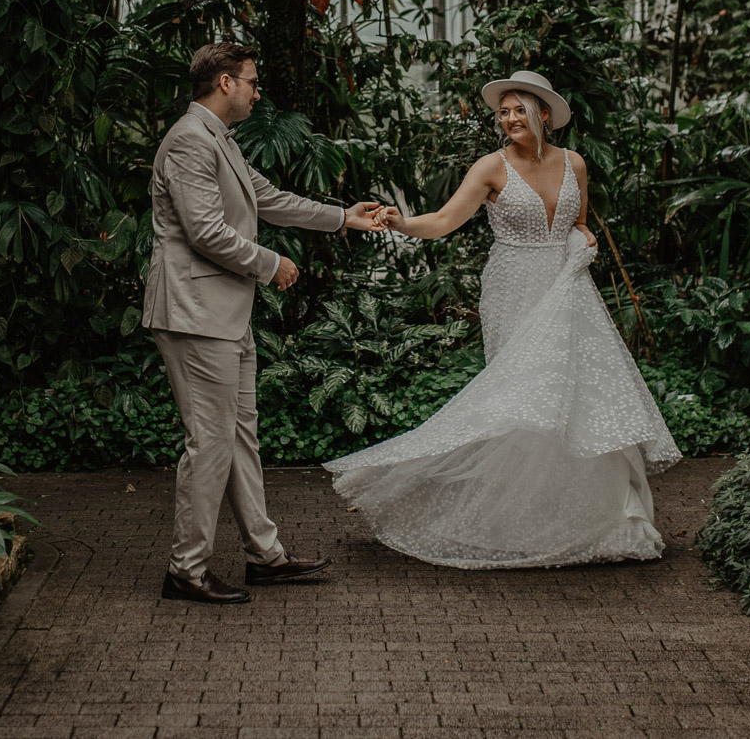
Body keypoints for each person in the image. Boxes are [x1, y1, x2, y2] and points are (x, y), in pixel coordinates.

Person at [326, 70, 681, 569]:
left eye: (518, 110)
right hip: (513, 287)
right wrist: (401, 222)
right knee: (524, 398)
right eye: (503, 112)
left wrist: (585, 240)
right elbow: (446, 221)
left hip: (569, 287)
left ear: (543, 114)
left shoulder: (574, 162)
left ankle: (597, 517)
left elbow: (577, 223)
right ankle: (521, 516)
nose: (509, 119)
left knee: (580, 395)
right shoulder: (490, 168)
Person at [143, 40, 385, 604]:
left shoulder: (216, 138)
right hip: (195, 314)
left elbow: (265, 197)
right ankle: (187, 569)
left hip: (224, 314)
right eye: (252, 81)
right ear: (224, 82)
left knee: (238, 437)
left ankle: (265, 555)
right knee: (209, 443)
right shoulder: (187, 141)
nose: (257, 90)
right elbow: (204, 231)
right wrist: (270, 263)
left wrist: (342, 217)